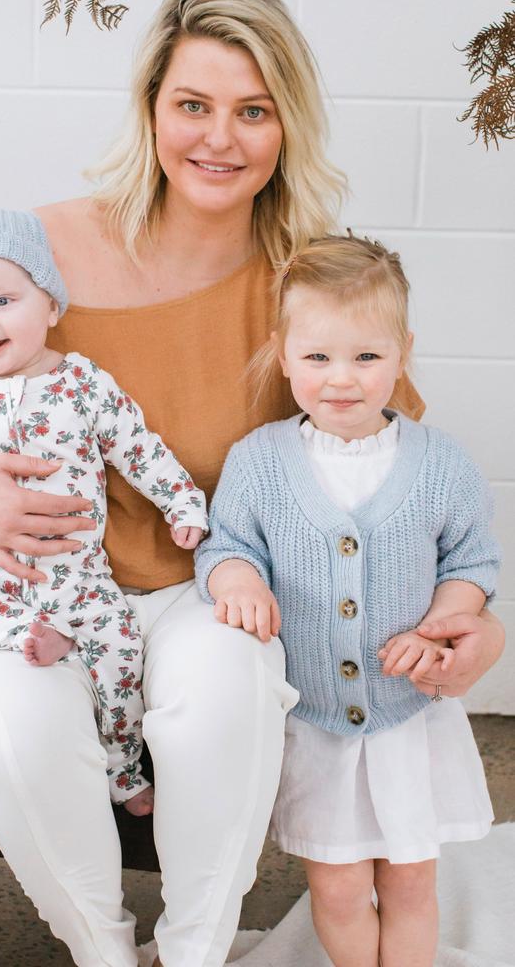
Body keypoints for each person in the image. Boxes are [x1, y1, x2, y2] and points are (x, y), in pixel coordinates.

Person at [0, 0, 504, 967]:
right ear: (151, 110)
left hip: (198, 588)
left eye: (252, 110)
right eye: (192, 105)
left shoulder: (303, 282)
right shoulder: (38, 249)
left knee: (228, 695)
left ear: (285, 124)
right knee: (19, 743)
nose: (219, 138)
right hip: (22, 588)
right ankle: (102, 951)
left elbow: (391, 476)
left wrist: (469, 615)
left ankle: (195, 953)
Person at [194, 233, 500, 967]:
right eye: (318, 357)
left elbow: (473, 563)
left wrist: (443, 625)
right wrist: (236, 579)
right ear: (282, 351)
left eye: (366, 357)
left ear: (403, 353)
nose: (342, 379)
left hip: (409, 717)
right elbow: (226, 543)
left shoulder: (440, 462)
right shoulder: (261, 460)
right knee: (336, 889)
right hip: (319, 725)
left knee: (412, 880)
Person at [0, 207, 207, 817]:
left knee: (122, 646)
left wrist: (182, 503)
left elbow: (139, 447)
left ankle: (122, 767)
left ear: (50, 306)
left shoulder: (82, 383)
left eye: (3, 298)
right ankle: (24, 636)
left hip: (76, 574)